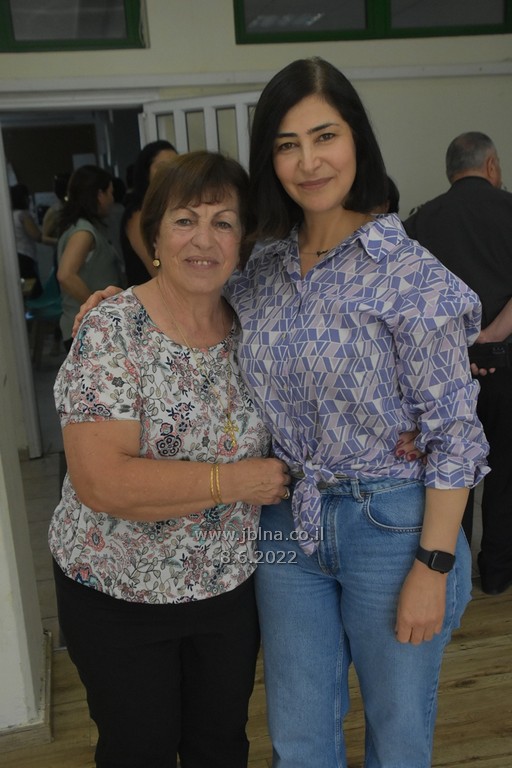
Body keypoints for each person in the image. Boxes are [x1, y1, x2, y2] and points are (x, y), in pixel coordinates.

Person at [72, 59, 479, 767]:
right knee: (298, 732)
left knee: (398, 731)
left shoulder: (410, 274)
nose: (309, 161)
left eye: (325, 136)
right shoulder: (259, 270)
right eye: (288, 144)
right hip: (287, 522)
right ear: (271, 159)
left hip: (392, 525)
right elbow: (187, 306)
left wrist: (434, 565)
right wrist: (119, 303)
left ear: (357, 141)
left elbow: (456, 437)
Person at [49, 151, 290, 768]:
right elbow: (103, 481)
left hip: (226, 590)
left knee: (220, 746)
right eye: (185, 220)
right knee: (140, 751)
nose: (204, 239)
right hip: (118, 594)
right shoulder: (112, 329)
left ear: (242, 240)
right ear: (153, 236)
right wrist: (235, 481)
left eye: (223, 222)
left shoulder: (253, 328)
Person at [404, 132, 512, 596]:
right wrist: (491, 336)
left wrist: (462, 347)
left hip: (443, 375)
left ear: (451, 171)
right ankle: (499, 575)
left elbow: (407, 303)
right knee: (507, 474)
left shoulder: (419, 221)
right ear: (491, 165)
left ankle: (452, 581)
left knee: (451, 474)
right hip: (507, 369)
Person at [56, 164, 122, 351]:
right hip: (86, 330)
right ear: (99, 195)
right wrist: (97, 306)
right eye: (110, 193)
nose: (112, 199)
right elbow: (65, 275)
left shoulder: (82, 227)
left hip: (89, 327)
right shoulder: (83, 233)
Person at [120, 139, 177, 285]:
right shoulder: (138, 213)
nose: (169, 172)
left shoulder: (172, 208)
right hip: (150, 292)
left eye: (175, 166)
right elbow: (154, 265)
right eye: (162, 167)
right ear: (146, 173)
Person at [10, 182, 56, 298]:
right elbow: (37, 236)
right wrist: (57, 241)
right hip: (25, 257)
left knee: (24, 289)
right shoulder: (23, 215)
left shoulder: (11, 215)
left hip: (17, 256)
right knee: (34, 290)